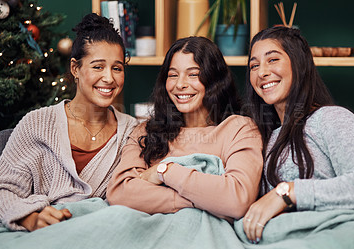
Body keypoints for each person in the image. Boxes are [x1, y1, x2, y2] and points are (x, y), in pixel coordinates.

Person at [0, 13, 137, 232]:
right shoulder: (37, 124)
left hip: (102, 234)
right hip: (39, 236)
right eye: (97, 67)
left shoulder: (133, 132)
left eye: (117, 68)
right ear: (75, 68)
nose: (109, 78)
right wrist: (29, 217)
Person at [242, 26, 354, 247]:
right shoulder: (261, 139)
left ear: (298, 64)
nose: (261, 72)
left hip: (334, 233)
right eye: (254, 65)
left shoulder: (328, 118)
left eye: (272, 60)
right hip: (279, 238)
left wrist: (288, 192)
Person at [107, 36, 263, 221]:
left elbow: (237, 200)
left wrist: (165, 171)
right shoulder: (146, 132)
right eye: (172, 75)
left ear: (214, 81)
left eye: (193, 74)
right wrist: (202, 200)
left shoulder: (239, 129)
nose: (180, 84)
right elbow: (119, 192)